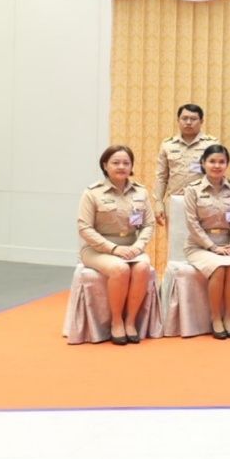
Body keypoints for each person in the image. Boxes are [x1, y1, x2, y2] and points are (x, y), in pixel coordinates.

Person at [76, 145, 155, 345]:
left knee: (143, 267)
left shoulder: (141, 192)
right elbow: (84, 228)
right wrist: (113, 249)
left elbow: (148, 224)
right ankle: (117, 321)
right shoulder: (92, 193)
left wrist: (138, 247)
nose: (121, 167)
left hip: (132, 247)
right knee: (120, 269)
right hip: (97, 249)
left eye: (126, 163)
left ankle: (130, 321)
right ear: (105, 165)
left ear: (131, 166)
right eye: (116, 162)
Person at [182, 144, 230, 339]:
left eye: (221, 162)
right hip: (199, 245)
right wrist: (212, 247)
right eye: (212, 161)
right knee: (219, 267)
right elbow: (192, 224)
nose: (217, 166)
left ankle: (228, 318)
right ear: (203, 163)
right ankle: (216, 318)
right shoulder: (193, 190)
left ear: (227, 164)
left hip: (227, 245)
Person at [152, 103, 216, 227]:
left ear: (201, 121)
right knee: (175, 238)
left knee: (203, 238)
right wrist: (158, 202)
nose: (188, 122)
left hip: (203, 201)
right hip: (175, 201)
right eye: (184, 118)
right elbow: (161, 177)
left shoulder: (211, 144)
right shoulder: (168, 145)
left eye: (193, 119)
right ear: (178, 120)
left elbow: (216, 174)